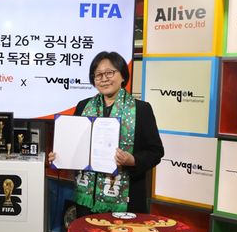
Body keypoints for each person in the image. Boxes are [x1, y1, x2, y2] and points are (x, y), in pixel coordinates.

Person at [48, 51, 163, 216]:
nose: (104, 78)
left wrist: (133, 160)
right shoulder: (83, 106)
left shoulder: (141, 109)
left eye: (109, 72)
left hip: (126, 200)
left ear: (123, 75)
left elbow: (156, 151)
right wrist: (61, 156)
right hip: (87, 200)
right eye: (98, 75)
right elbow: (75, 145)